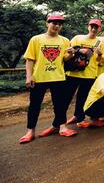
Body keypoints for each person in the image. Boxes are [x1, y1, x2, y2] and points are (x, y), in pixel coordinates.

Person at [19, 15, 78, 144]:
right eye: (54, 23)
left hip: (58, 77)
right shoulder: (36, 39)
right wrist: (29, 76)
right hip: (39, 77)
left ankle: (62, 127)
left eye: (59, 24)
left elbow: (63, 59)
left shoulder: (64, 40)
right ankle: (30, 131)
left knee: (60, 105)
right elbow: (30, 59)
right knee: (35, 105)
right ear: (47, 24)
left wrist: (71, 54)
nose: (57, 26)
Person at [64, 19, 104, 128]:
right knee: (66, 97)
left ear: (100, 29)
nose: (94, 29)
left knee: (82, 98)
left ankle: (79, 118)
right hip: (73, 72)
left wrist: (100, 55)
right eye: (92, 26)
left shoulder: (100, 42)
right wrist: (79, 50)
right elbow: (67, 51)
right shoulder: (77, 38)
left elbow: (100, 62)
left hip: (89, 74)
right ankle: (60, 121)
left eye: (97, 27)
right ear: (88, 27)